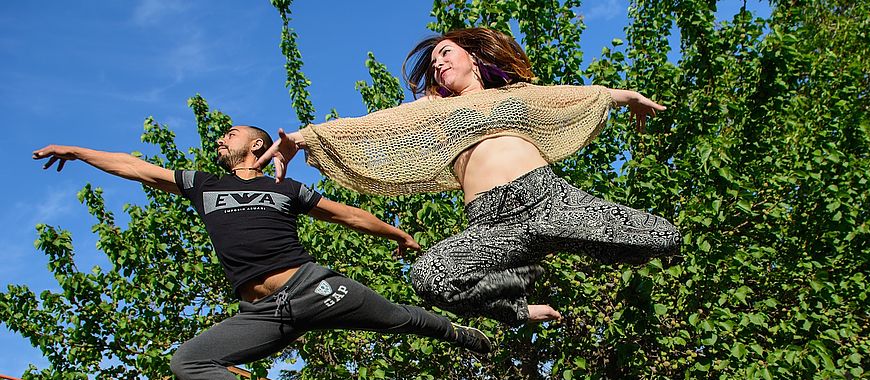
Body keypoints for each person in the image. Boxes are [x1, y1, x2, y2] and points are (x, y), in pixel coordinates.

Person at [32, 125, 492, 380]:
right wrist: (76, 152)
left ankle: (461, 334)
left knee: (399, 318)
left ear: (255, 145)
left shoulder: (286, 191)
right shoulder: (203, 184)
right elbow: (137, 167)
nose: (220, 139)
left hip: (313, 287)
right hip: (264, 314)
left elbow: (348, 215)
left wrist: (398, 234)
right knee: (189, 361)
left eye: (230, 134)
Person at [257, 27, 682, 326]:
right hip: (491, 223)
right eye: (434, 61)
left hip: (550, 200)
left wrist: (626, 98)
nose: (438, 63)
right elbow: (369, 125)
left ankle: (563, 242)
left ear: (473, 58)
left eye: (446, 53)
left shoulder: (513, 96)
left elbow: (571, 95)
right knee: (430, 277)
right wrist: (302, 137)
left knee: (663, 238)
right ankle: (520, 304)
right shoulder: (432, 109)